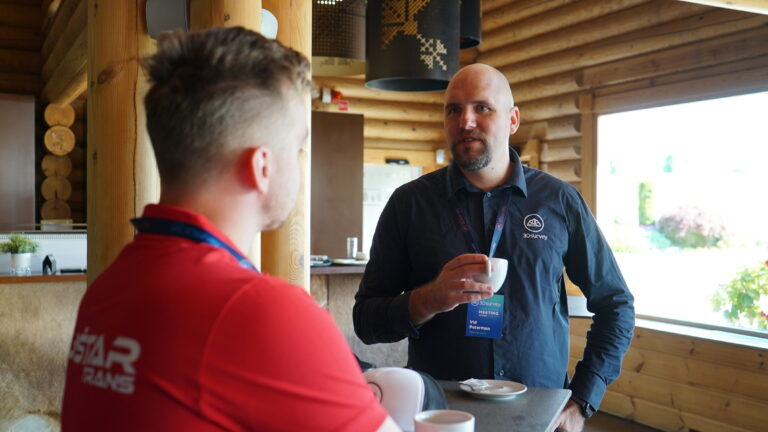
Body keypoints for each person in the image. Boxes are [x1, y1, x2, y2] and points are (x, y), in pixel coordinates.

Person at [61, 27, 400, 432]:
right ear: (263, 167)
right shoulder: (262, 312)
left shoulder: (108, 287)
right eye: (298, 147)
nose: (300, 161)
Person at [353, 63, 635, 432]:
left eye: (482, 108)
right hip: (441, 415)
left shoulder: (559, 201)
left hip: (540, 414)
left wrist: (581, 401)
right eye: (453, 109)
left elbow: (616, 305)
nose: (465, 121)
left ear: (513, 119)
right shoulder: (409, 204)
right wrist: (428, 300)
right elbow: (367, 322)